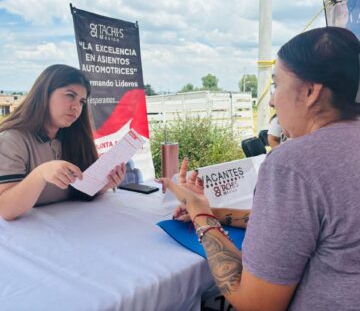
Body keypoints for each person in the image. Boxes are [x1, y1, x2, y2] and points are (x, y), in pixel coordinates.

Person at [159, 27, 360, 310]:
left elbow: (255, 303)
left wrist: (199, 213)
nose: (272, 100)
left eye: (277, 85)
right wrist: (212, 211)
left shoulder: (293, 163)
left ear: (311, 92)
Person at [0, 65, 126, 221]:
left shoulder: (75, 138)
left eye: (82, 102)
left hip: (76, 231)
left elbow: (80, 192)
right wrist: (41, 173)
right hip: (29, 239)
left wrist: (104, 183)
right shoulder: (12, 140)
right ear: (44, 94)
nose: (76, 107)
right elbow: (6, 209)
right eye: (70, 95)